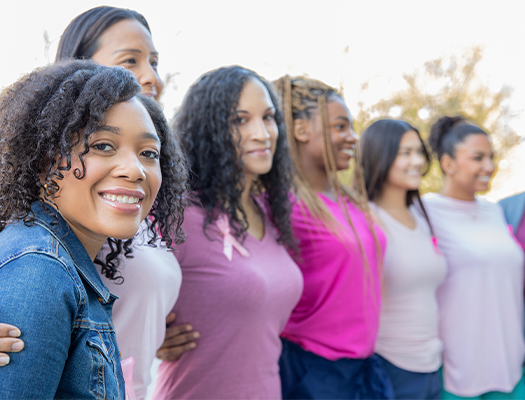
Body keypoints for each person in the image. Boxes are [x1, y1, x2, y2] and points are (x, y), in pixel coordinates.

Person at [0, 7, 194, 399]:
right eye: (130, 60)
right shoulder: (36, 260)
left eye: (148, 153)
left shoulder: (128, 207)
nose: (150, 75)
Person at [150, 66, 303, 399]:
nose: (262, 133)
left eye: (268, 117)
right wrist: (149, 335)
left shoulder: (270, 212)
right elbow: (111, 290)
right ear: (210, 131)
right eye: (240, 120)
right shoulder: (179, 216)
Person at [272, 75, 391, 399]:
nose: (353, 137)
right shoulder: (284, 204)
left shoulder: (349, 200)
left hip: (365, 368)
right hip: (313, 372)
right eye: (340, 127)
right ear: (300, 130)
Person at [423, 115, 525, 399]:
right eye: (478, 158)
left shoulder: (495, 212)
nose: (489, 167)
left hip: (511, 369)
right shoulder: (426, 212)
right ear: (447, 163)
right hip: (458, 375)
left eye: (491, 158)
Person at [361, 119, 447, 399]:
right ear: (380, 155)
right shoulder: (367, 219)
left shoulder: (422, 219)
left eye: (419, 152)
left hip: (432, 364)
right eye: (405, 153)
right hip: (390, 366)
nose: (417, 161)